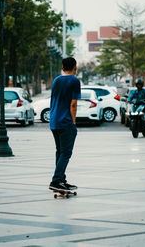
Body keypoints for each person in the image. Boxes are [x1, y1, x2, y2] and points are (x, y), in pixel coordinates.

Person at [49, 57, 81, 192]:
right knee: (66, 153)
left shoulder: (56, 80)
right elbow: (73, 104)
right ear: (75, 67)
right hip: (66, 121)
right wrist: (73, 122)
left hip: (54, 121)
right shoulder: (74, 80)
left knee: (60, 152)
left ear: (62, 68)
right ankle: (56, 180)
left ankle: (61, 180)